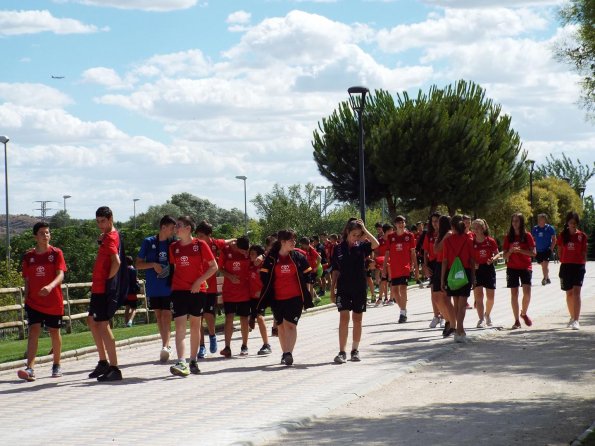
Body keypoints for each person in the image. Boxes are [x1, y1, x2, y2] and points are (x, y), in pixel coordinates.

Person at [18, 222, 67, 382]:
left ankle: (56, 364)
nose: (45, 235)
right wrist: (26, 296)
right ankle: (30, 368)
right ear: (35, 236)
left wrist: (50, 286)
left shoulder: (56, 253)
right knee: (33, 331)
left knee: (54, 332)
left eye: (47, 232)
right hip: (34, 302)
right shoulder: (28, 257)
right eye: (41, 233)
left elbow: (61, 275)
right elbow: (27, 278)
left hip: (53, 301)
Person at [168, 216, 218, 377]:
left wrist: (199, 281)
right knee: (180, 327)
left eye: (179, 225)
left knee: (196, 326)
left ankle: (193, 360)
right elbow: (175, 269)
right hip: (179, 291)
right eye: (175, 226)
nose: (176, 228)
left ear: (188, 228)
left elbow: (214, 267)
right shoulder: (173, 247)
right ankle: (181, 361)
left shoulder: (200, 244)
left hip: (198, 291)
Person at [257, 229, 314, 366]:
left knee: (291, 325)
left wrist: (308, 293)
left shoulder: (298, 257)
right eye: (291, 240)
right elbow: (264, 275)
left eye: (295, 239)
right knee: (281, 326)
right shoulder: (272, 258)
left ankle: (289, 353)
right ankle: (285, 353)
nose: (294, 242)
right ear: (282, 242)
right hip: (277, 298)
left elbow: (309, 275)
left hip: (295, 297)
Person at [331, 219, 379, 363]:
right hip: (344, 288)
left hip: (359, 287)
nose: (356, 238)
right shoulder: (338, 248)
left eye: (359, 235)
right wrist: (333, 289)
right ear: (347, 232)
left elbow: (376, 244)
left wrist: (365, 228)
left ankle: (355, 350)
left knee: (357, 319)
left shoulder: (362, 246)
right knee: (344, 318)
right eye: (354, 234)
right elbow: (335, 270)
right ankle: (341, 352)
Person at [87, 206, 123, 381]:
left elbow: (116, 262)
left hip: (104, 288)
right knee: (92, 321)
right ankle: (103, 362)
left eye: (103, 221)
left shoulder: (110, 237)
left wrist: (108, 280)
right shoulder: (110, 236)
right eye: (98, 222)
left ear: (111, 218)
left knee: (103, 325)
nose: (100, 225)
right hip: (99, 288)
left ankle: (114, 368)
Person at [135, 215, 176, 362]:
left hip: (169, 286)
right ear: (163, 227)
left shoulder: (174, 243)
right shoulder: (149, 242)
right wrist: (153, 265)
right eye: (172, 228)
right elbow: (138, 264)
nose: (174, 231)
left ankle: (166, 346)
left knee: (167, 315)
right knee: (159, 316)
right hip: (153, 286)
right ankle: (165, 345)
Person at [194, 220, 235, 359]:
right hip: (196, 286)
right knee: (197, 318)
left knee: (209, 315)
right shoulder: (194, 245)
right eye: (197, 234)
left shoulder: (215, 243)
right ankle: (201, 347)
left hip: (210, 287)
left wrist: (235, 240)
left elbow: (228, 241)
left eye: (201, 235)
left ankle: (212, 335)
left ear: (209, 235)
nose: (198, 238)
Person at [441, 215, 476, 343]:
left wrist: (442, 280)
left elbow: (444, 261)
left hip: (451, 273)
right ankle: (460, 331)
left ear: (452, 227)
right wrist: (473, 277)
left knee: (456, 304)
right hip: (464, 272)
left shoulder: (447, 241)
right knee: (462, 305)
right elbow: (472, 260)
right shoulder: (468, 239)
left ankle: (459, 330)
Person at [219, 236, 252, 357]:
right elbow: (219, 268)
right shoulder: (226, 250)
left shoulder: (249, 252)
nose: (245, 253)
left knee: (244, 318)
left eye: (246, 251)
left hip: (244, 291)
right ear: (237, 246)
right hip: (229, 292)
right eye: (243, 251)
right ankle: (227, 347)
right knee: (229, 318)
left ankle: (244, 346)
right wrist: (230, 276)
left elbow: (261, 256)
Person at [503, 213, 536, 329]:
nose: (514, 223)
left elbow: (533, 253)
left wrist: (521, 251)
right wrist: (511, 251)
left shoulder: (527, 236)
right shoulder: (508, 237)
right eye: (513, 221)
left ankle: (523, 313)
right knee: (514, 294)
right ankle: (516, 320)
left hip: (525, 267)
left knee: (527, 293)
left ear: (521, 222)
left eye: (517, 221)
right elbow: (504, 256)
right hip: (512, 268)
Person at [383, 216, 418, 323]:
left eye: (402, 222)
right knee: (394, 291)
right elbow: (387, 253)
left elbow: (413, 253)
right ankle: (403, 309)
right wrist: (384, 268)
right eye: (398, 223)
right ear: (395, 225)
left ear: (405, 223)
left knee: (403, 288)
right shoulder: (391, 237)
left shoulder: (409, 236)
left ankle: (402, 314)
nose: (401, 224)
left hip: (405, 267)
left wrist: (416, 267)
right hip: (394, 267)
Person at [557, 211, 588, 330]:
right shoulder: (562, 235)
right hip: (566, 266)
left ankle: (576, 320)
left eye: (575, 223)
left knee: (576, 292)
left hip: (578, 266)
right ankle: (572, 317)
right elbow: (559, 250)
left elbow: (584, 251)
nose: (573, 225)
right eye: (571, 222)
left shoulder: (582, 236)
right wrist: (563, 259)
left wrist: (583, 262)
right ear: (567, 223)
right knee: (569, 293)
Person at [471, 219, 500, 328]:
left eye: (478, 227)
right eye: (474, 228)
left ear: (483, 228)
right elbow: (468, 257)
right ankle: (481, 319)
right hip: (477, 270)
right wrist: (473, 264)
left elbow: (497, 254)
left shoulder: (490, 241)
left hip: (488, 268)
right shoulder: (471, 242)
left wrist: (493, 258)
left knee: (490, 297)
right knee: (478, 296)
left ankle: (487, 314)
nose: (476, 230)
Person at [434, 215, 456, 337]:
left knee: (446, 298)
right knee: (437, 298)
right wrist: (441, 238)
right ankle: (448, 320)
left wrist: (443, 237)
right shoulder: (441, 235)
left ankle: (453, 324)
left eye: (438, 222)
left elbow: (438, 248)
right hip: (438, 264)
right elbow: (435, 250)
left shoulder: (449, 234)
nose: (436, 224)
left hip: (447, 266)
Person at [248, 244, 272, 354]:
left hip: (261, 297)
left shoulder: (264, 265)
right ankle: (251, 317)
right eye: (250, 253)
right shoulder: (250, 265)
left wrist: (262, 255)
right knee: (254, 317)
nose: (250, 256)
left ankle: (266, 345)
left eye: (253, 254)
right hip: (251, 297)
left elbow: (270, 254)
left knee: (260, 317)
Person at [423, 213, 443, 328]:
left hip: (443, 263)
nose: (435, 223)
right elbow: (425, 252)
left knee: (442, 292)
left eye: (437, 221)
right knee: (434, 293)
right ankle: (436, 316)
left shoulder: (445, 234)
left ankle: (444, 317)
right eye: (433, 221)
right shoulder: (428, 235)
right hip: (432, 264)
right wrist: (425, 267)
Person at [532, 213, 556, 286]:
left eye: (541, 219)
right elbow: (532, 240)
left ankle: (544, 279)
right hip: (539, 251)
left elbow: (554, 239)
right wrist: (534, 249)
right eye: (538, 219)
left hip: (547, 250)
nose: (539, 221)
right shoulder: (535, 228)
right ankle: (547, 278)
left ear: (545, 220)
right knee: (543, 266)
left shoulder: (550, 228)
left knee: (545, 265)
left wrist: (551, 249)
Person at [299, 237, 321, 303]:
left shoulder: (311, 249)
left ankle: (310, 301)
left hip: (312, 271)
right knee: (310, 285)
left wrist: (316, 267)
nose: (301, 246)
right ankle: (316, 297)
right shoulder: (304, 249)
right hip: (307, 270)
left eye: (302, 244)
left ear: (304, 244)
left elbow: (319, 258)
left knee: (310, 285)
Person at [124, 256, 140, 327]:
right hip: (132, 291)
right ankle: (130, 322)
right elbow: (134, 281)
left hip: (125, 292)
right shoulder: (133, 270)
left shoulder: (123, 270)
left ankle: (126, 322)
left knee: (127, 307)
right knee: (134, 308)